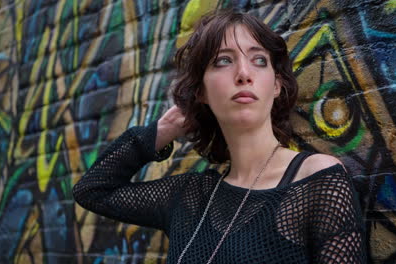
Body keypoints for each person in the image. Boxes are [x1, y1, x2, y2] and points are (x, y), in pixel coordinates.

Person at [73, 10, 366, 264]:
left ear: (276, 85)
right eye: (223, 61)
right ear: (200, 91)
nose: (243, 73)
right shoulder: (190, 197)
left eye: (259, 60)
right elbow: (93, 190)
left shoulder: (315, 181)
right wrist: (165, 129)